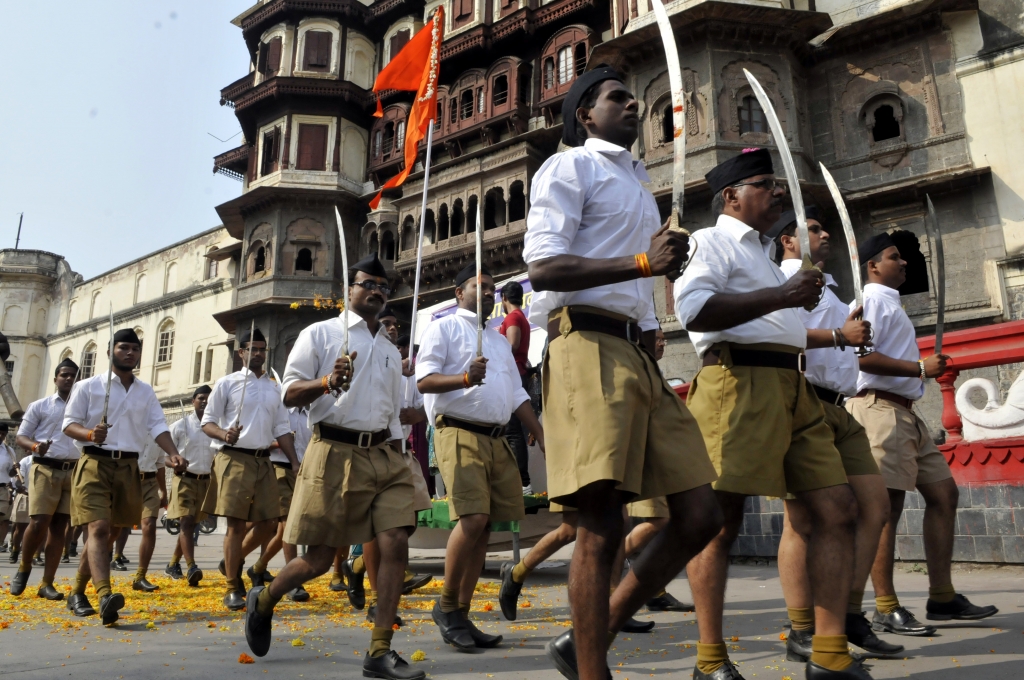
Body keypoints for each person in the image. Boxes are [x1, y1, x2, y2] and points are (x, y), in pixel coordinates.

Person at [523, 67, 722, 680]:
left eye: (634, 96)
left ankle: (598, 627)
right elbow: (545, 268)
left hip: (637, 352)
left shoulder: (639, 183)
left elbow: (639, 275)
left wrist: (654, 293)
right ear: (585, 114)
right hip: (584, 343)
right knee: (601, 520)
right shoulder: (570, 167)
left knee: (699, 515)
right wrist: (641, 262)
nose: (633, 103)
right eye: (617, 97)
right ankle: (590, 671)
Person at [675, 148, 869, 679]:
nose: (778, 192)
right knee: (720, 524)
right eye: (766, 183)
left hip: (794, 386)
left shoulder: (763, 253)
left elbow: (780, 315)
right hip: (736, 383)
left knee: (837, 508)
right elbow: (693, 310)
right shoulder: (707, 243)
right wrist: (781, 295)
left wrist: (787, 295)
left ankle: (828, 654)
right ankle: (710, 659)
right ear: (730, 196)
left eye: (778, 184)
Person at [244, 253, 423, 680]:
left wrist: (402, 451)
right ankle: (265, 598)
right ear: (350, 289)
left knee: (396, 539)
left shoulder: (387, 347)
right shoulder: (320, 334)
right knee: (321, 559)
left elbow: (393, 410)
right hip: (335, 452)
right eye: (368, 284)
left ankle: (380, 650)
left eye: (384, 286)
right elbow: (288, 393)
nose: (377, 291)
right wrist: (327, 382)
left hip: (385, 454)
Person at [848, 233, 998, 634]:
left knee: (944, 493)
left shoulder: (889, 303)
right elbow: (862, 360)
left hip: (904, 412)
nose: (905, 262)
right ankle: (885, 604)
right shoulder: (872, 302)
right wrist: (918, 368)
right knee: (885, 509)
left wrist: (918, 370)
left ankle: (943, 596)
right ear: (872, 266)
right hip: (878, 408)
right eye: (894, 256)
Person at [772, 209, 902, 660]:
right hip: (801, 398)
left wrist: (853, 338)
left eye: (824, 229)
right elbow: (782, 335)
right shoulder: (783, 280)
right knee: (801, 520)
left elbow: (840, 342)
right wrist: (838, 334)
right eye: (813, 229)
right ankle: (802, 628)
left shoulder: (825, 284)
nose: (824, 234)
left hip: (839, 405)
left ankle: (848, 611)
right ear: (788, 241)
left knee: (875, 506)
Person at [417, 263, 545, 653]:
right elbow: (424, 380)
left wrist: (538, 429)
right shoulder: (443, 328)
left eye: (491, 287)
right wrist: (465, 379)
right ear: (459, 293)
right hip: (458, 429)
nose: (488, 292)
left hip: (496, 437)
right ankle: (446, 607)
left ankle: (461, 611)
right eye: (479, 285)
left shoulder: (498, 339)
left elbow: (517, 393)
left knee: (487, 526)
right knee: (471, 519)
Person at [61, 328, 187, 624]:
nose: (130, 353)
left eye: (135, 348)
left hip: (129, 468)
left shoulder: (145, 391)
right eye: (123, 348)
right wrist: (90, 433)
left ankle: (77, 591)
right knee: (99, 528)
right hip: (95, 462)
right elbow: (68, 425)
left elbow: (158, 426)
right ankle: (105, 594)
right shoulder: (88, 386)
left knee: (111, 532)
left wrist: (172, 452)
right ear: (109, 351)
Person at [201, 327, 298, 611]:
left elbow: (282, 428)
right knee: (236, 524)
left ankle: (232, 561)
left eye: (261, 349)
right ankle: (232, 587)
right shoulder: (226, 383)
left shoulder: (273, 387)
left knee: (269, 523)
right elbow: (207, 422)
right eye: (251, 349)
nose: (257, 354)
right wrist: (223, 435)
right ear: (240, 352)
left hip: (264, 461)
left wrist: (294, 461)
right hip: (233, 458)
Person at [10, 358, 81, 599]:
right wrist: (35, 446)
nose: (69, 379)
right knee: (39, 521)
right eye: (64, 375)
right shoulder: (40, 406)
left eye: (73, 375)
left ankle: (47, 583)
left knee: (60, 527)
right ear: (55, 378)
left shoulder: (83, 408)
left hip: (72, 470)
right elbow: (21, 437)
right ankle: (24, 567)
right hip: (45, 468)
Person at [166, 385, 215, 586]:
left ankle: (172, 564)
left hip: (205, 482)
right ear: (193, 401)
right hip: (184, 479)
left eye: (208, 399)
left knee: (193, 524)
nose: (204, 401)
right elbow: (163, 458)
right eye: (201, 398)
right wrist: (175, 463)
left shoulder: (215, 427)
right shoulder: (179, 426)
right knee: (186, 522)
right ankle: (191, 566)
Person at [498, 280, 533, 493]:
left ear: (504, 298)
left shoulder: (513, 317)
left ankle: (522, 481)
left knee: (512, 431)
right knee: (513, 430)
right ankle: (520, 480)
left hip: (514, 375)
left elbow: (512, 345)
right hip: (519, 373)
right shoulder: (521, 317)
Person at [132, 436, 167, 591]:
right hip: (128, 480)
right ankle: (98, 570)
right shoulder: (130, 421)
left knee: (150, 525)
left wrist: (164, 491)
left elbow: (160, 464)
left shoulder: (158, 430)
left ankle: (140, 576)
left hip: (150, 482)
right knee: (114, 530)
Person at [0, 425, 16, 561]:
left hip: (3, 487)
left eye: (4, 434)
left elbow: (11, 473)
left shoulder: (8, 451)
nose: (1, 436)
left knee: (3, 518)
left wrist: (15, 470)